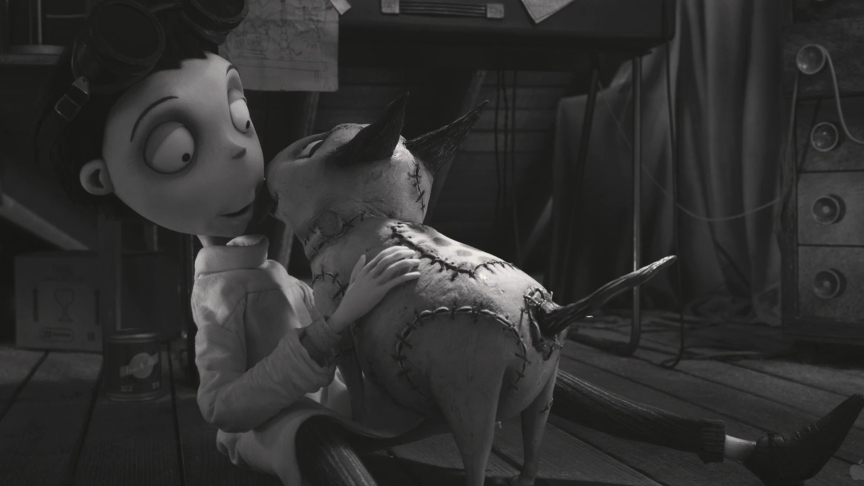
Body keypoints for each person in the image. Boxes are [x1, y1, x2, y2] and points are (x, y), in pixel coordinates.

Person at [33, 1, 863, 485]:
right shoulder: (218, 292)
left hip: (364, 389)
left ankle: (750, 453)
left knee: (531, 353)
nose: (237, 155)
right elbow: (222, 408)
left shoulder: (273, 253)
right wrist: (332, 329)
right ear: (108, 183)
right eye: (180, 151)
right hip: (283, 425)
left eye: (239, 117)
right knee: (314, 439)